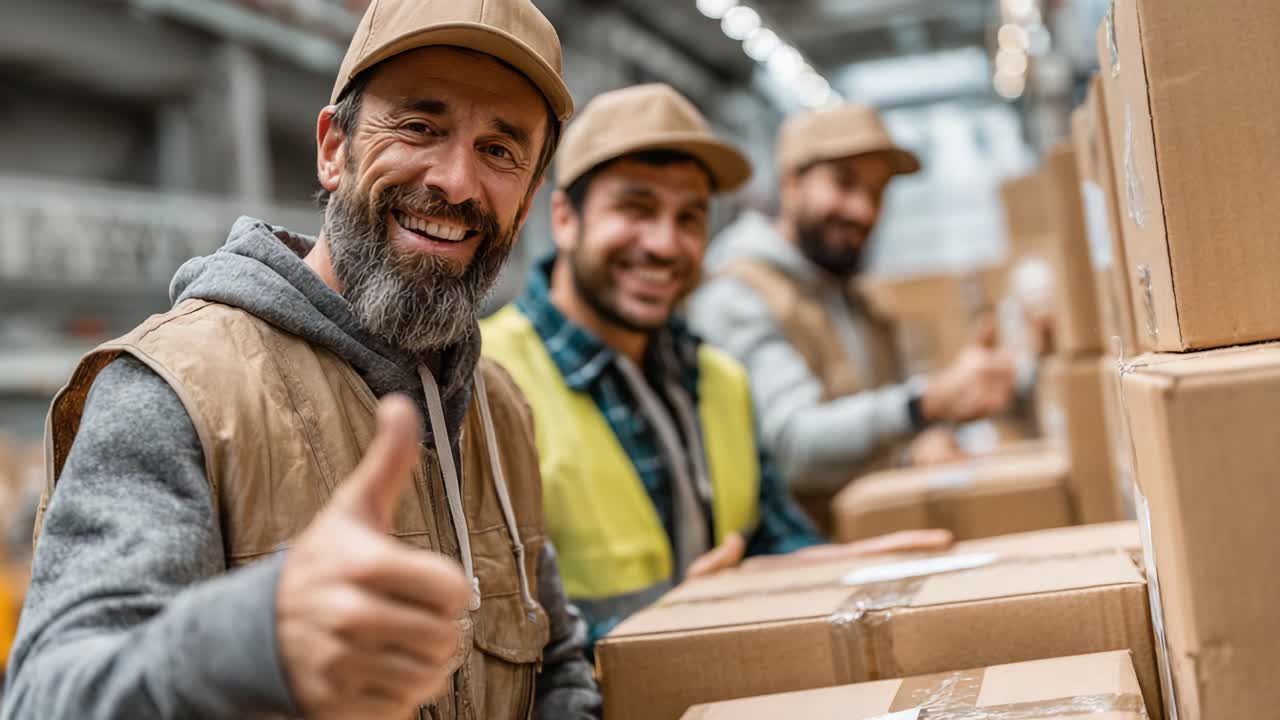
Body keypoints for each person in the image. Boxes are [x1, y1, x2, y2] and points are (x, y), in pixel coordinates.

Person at [3, 1, 602, 718]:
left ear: (528, 201)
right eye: (419, 126)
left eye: (500, 151)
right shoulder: (176, 391)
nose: (456, 182)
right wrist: (251, 641)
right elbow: (46, 698)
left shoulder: (498, 407)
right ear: (332, 149)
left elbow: (556, 659)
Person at [481, 84, 951, 651]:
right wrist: (678, 617)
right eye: (635, 209)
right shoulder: (488, 382)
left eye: (689, 218)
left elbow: (770, 536)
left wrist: (822, 564)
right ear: (564, 218)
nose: (664, 244)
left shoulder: (718, 378)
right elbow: (491, 648)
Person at [689, 104, 1017, 529]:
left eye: (877, 193)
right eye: (844, 184)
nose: (864, 210)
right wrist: (925, 405)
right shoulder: (738, 295)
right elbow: (792, 446)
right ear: (791, 183)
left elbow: (873, 429)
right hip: (799, 568)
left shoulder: (849, 296)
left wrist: (921, 442)